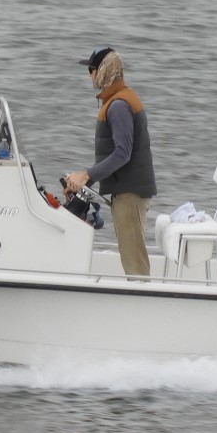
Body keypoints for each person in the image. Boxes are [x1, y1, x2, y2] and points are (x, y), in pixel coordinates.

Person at [64, 46, 156, 276]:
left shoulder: (118, 106)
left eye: (91, 70)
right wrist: (86, 182)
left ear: (103, 72)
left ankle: (144, 305)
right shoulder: (118, 99)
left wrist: (86, 175)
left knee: (134, 262)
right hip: (127, 192)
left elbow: (122, 153)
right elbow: (113, 156)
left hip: (130, 195)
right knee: (131, 257)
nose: (89, 76)